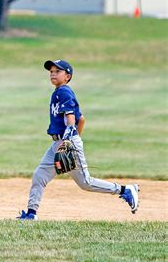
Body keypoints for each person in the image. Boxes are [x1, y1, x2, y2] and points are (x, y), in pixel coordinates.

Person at [17, 60, 140, 220]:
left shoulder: (64, 92)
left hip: (66, 141)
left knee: (85, 182)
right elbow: (81, 119)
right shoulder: (58, 92)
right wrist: (74, 139)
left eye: (57, 71)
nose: (52, 73)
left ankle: (125, 190)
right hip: (59, 143)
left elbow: (71, 117)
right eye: (51, 71)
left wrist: (70, 139)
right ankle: (31, 213)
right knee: (39, 175)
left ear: (67, 76)